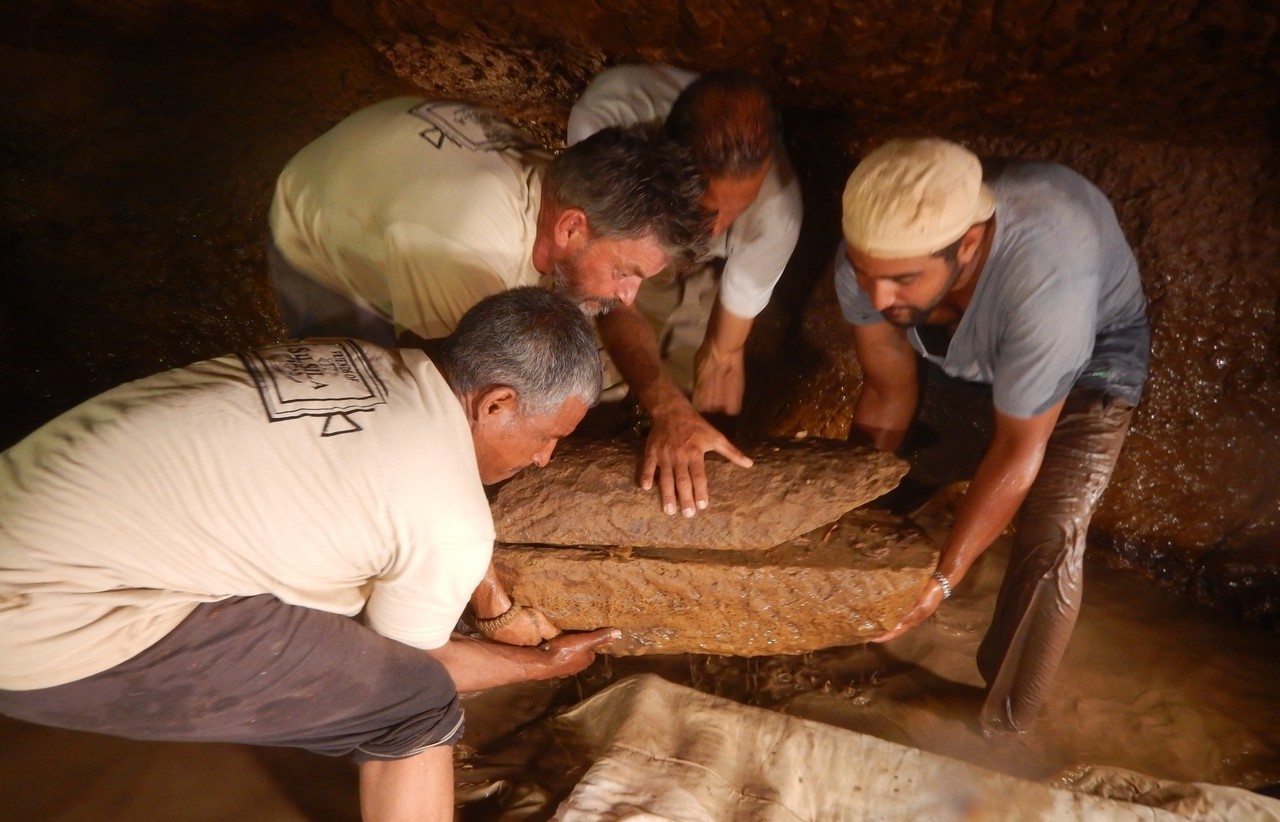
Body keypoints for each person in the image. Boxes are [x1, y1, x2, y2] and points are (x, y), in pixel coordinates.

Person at [0, 287, 618, 822]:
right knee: (414, 703)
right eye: (547, 438)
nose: (545, 459)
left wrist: (490, 604)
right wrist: (538, 666)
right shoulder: (448, 517)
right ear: (496, 404)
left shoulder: (352, 358)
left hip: (23, 513)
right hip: (47, 620)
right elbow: (426, 660)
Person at [835, 138, 1149, 732]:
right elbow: (887, 389)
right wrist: (847, 513)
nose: (877, 297)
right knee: (900, 474)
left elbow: (1018, 448)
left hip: (1089, 360)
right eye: (864, 274)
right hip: (962, 338)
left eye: (900, 279)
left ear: (970, 243)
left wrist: (942, 582)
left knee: (1052, 529)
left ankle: (1001, 724)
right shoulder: (875, 256)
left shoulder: (1048, 275)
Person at [268, 97, 707, 347]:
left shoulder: (567, 185)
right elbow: (446, 392)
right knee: (362, 381)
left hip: (393, 164)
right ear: (570, 228)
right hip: (317, 222)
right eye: (624, 273)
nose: (629, 297)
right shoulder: (464, 250)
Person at [568, 66, 804, 518]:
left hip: (691, 259)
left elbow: (723, 355)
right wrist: (664, 406)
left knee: (687, 380)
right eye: (708, 208)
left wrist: (703, 458)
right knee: (593, 371)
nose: (718, 229)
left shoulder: (777, 215)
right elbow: (611, 293)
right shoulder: (606, 127)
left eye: (739, 209)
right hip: (630, 228)